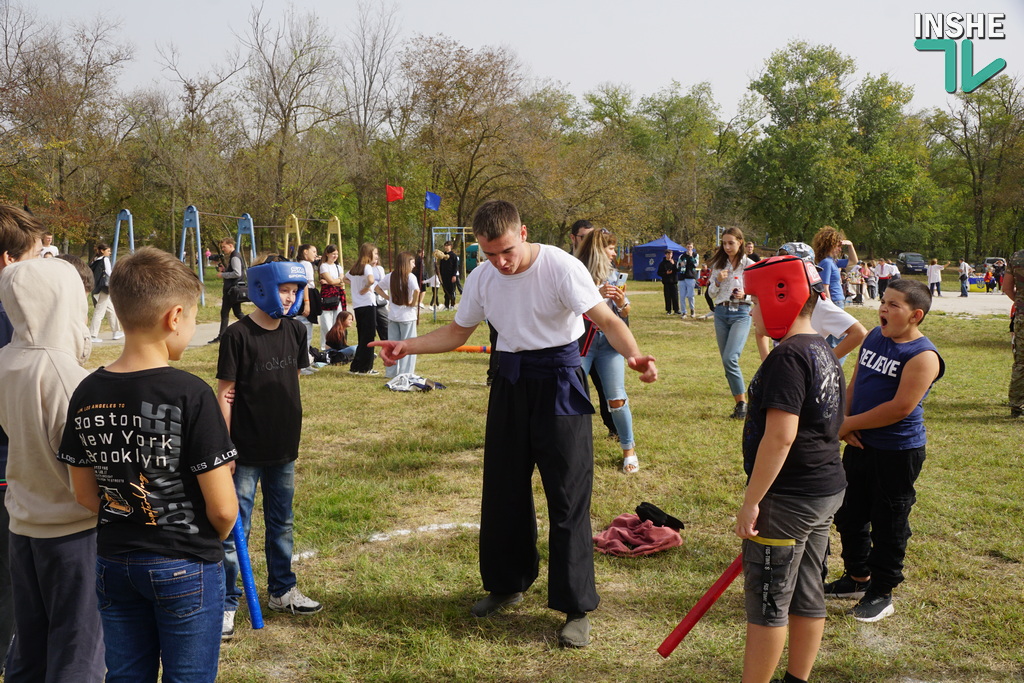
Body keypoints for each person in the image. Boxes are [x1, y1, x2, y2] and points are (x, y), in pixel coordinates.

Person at [370, 200, 657, 648]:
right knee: (503, 489)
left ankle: (575, 605)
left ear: (523, 233)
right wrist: (408, 348)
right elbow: (458, 332)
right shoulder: (483, 276)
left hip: (560, 383)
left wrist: (634, 355)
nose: (500, 263)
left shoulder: (561, 267)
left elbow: (604, 318)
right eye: (489, 254)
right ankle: (507, 584)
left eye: (506, 251)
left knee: (567, 496)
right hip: (508, 383)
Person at [58, 247, 238, 682]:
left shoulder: (86, 391)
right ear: (174, 317)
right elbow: (224, 510)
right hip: (185, 562)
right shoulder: (191, 394)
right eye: (193, 319)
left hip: (114, 562)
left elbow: (84, 494)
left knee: (125, 675)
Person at [735, 255, 847, 683]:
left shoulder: (787, 358)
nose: (752, 311)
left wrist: (752, 502)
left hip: (789, 498)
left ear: (783, 296)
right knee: (807, 592)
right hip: (823, 490)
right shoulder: (821, 345)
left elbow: (780, 437)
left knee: (768, 603)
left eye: (756, 302)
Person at [0, 256, 105, 681]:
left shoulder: (7, 359)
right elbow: (89, 470)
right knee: (77, 653)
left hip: (22, 522)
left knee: (31, 645)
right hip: (72, 531)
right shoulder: (65, 376)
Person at [216, 259, 323, 640]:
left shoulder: (295, 331)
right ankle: (227, 603)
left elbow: (291, 379)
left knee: (282, 522)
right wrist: (224, 447)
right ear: (262, 288)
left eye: (295, 291)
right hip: (243, 450)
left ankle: (281, 590)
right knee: (234, 528)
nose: (290, 297)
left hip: (283, 448)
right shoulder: (237, 335)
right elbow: (225, 393)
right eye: (284, 290)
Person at [827, 279, 944, 623]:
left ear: (915, 315)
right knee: (849, 512)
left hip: (897, 452)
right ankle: (857, 578)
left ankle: (882, 591)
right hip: (861, 442)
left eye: (894, 305)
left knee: (888, 521)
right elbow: (856, 381)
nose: (883, 309)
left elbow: (900, 408)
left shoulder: (923, 356)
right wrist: (845, 420)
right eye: (883, 301)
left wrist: (847, 426)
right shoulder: (876, 337)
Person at [0, 205, 43, 670]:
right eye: (35, 256)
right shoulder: (13, 319)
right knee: (11, 585)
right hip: (11, 470)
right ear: (10, 263)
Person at [574, 229, 640, 473]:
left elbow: (624, 312)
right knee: (574, 398)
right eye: (611, 248)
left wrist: (622, 304)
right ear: (598, 250)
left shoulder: (615, 275)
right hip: (582, 343)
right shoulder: (576, 273)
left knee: (616, 398)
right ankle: (572, 450)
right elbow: (567, 311)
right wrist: (595, 297)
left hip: (609, 344)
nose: (614, 253)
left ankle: (629, 450)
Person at [708, 227, 755, 418]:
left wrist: (747, 295)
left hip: (742, 312)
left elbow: (760, 295)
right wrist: (717, 282)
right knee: (727, 361)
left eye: (731, 243)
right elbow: (711, 294)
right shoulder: (719, 265)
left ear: (740, 242)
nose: (727, 247)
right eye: (724, 243)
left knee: (730, 358)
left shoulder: (751, 265)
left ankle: (743, 404)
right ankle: (740, 404)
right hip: (721, 313)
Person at [380, 251, 421, 378]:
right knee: (408, 347)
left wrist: (388, 298)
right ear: (406, 263)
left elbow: (377, 288)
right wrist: (413, 303)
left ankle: (391, 373)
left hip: (393, 317)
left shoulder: (391, 275)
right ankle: (406, 373)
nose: (414, 265)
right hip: (407, 317)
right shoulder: (410, 277)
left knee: (393, 346)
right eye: (412, 262)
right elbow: (417, 291)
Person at [346, 243, 382, 376]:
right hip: (368, 304)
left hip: (358, 306)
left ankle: (356, 366)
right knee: (369, 337)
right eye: (375, 253)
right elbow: (371, 280)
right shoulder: (367, 267)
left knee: (362, 336)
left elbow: (345, 278)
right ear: (369, 254)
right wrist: (367, 287)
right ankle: (365, 368)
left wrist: (357, 285)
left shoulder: (355, 267)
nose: (377, 256)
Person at [811, 226, 858, 309]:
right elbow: (825, 286)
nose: (840, 249)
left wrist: (850, 245)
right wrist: (829, 305)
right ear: (830, 246)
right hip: (834, 301)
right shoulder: (827, 263)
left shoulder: (833, 261)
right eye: (838, 246)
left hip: (838, 300)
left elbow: (854, 261)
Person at [210, 237, 245, 344]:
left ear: (230, 245)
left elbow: (237, 273)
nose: (223, 249)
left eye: (224, 247)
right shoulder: (234, 256)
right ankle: (254, 328)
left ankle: (222, 337)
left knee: (225, 313)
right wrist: (225, 270)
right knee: (237, 313)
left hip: (231, 290)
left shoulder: (234, 257)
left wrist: (223, 274)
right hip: (233, 290)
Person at [1003, 249, 1024, 418]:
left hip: (1023, 316)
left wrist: (1020, 303)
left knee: (1021, 362)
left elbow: (1007, 287)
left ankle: (1017, 404)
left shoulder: (1017, 256)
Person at [90, 243, 123, 342]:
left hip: (97, 288)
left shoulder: (94, 261)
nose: (110, 253)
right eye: (108, 251)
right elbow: (109, 273)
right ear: (102, 251)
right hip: (103, 288)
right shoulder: (105, 259)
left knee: (111, 310)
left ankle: (116, 331)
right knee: (99, 312)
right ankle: (92, 335)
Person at [294, 243, 319, 373]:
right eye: (313, 251)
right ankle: (302, 365)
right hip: (306, 298)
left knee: (306, 332)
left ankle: (306, 363)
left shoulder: (300, 264)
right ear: (305, 252)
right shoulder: (306, 264)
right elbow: (305, 285)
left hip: (304, 298)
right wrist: (307, 302)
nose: (315, 254)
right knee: (306, 332)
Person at [318, 244, 346, 350]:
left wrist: (332, 282)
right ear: (327, 254)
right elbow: (332, 281)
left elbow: (340, 283)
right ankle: (324, 347)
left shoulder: (339, 267)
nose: (335, 256)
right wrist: (335, 281)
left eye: (336, 254)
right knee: (326, 324)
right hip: (327, 297)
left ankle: (335, 346)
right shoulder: (324, 266)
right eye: (333, 254)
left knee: (337, 322)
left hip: (337, 296)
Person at [677, 241, 699, 318]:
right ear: (686, 247)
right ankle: (684, 312)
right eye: (688, 246)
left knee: (690, 295)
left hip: (690, 277)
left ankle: (692, 310)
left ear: (692, 247)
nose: (689, 248)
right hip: (682, 277)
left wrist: (691, 257)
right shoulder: (682, 256)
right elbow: (678, 266)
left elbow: (696, 264)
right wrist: (680, 265)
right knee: (682, 296)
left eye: (690, 247)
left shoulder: (695, 255)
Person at [437, 240, 460, 310]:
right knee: (446, 291)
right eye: (445, 246)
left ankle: (452, 304)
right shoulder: (442, 255)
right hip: (444, 275)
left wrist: (454, 275)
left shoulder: (453, 256)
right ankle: (446, 305)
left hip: (451, 275)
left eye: (447, 246)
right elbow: (440, 266)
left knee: (452, 290)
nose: (446, 247)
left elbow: (455, 267)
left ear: (451, 246)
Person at [656, 249, 680, 315]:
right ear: (665, 255)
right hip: (666, 282)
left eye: (671, 254)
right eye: (668, 254)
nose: (670, 256)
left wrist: (674, 264)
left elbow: (678, 270)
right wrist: (666, 273)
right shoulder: (662, 263)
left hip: (674, 282)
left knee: (675, 296)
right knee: (667, 297)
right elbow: (659, 273)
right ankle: (668, 310)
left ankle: (676, 310)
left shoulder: (674, 262)